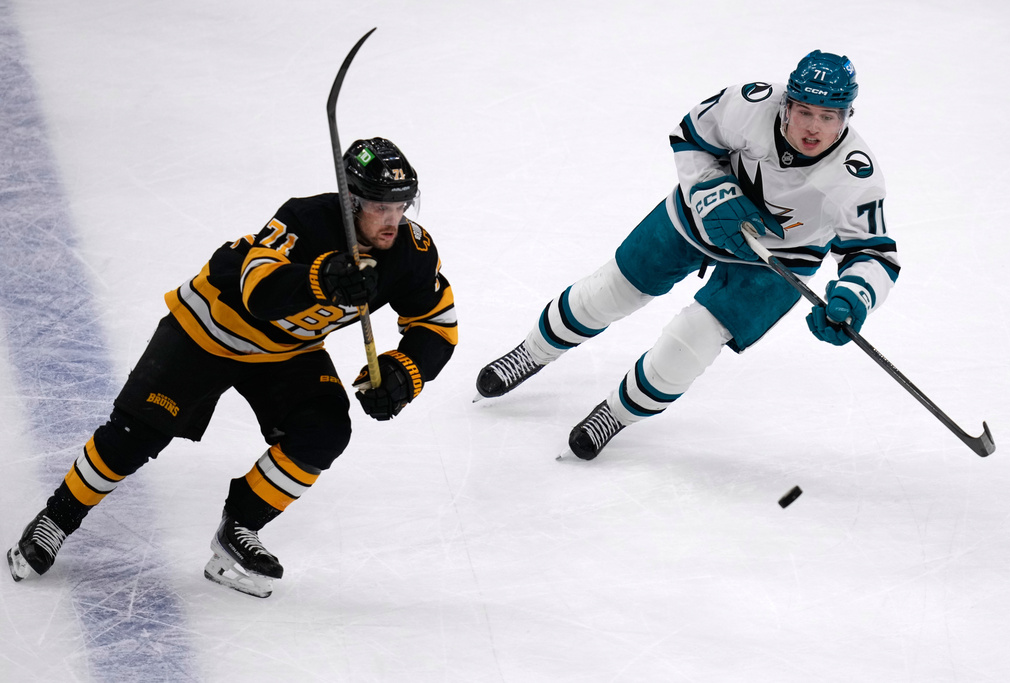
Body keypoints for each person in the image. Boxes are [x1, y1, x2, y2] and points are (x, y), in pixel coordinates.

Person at [7, 137, 458, 598]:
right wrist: (321, 277)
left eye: (401, 206)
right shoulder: (305, 220)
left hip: (288, 352)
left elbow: (437, 324)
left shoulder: (412, 251)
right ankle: (56, 519)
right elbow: (257, 292)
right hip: (208, 329)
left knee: (323, 431)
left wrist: (404, 371)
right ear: (351, 201)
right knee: (135, 434)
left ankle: (239, 527)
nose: (393, 220)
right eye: (381, 207)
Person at [476, 50, 899, 460]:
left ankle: (615, 415)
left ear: (847, 117)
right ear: (787, 104)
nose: (813, 127)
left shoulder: (855, 175)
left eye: (828, 116)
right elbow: (691, 134)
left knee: (689, 344)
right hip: (699, 217)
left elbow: (873, 253)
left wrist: (854, 297)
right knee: (609, 292)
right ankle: (531, 352)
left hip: (779, 259)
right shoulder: (750, 103)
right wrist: (710, 190)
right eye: (804, 111)